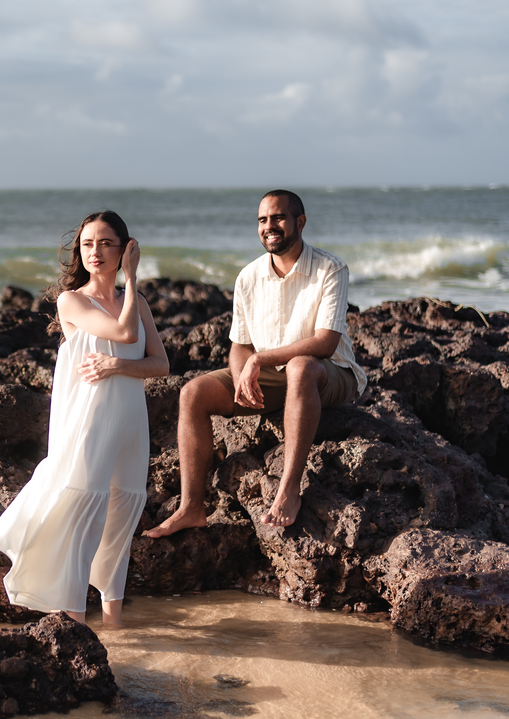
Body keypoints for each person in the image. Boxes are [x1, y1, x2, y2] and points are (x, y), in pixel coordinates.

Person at [0, 210, 169, 626]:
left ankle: (114, 622)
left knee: (122, 514)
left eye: (106, 243)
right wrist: (133, 278)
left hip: (129, 423)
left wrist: (117, 366)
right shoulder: (72, 301)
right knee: (82, 513)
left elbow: (159, 364)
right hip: (88, 422)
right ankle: (75, 625)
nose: (96, 252)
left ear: (125, 249)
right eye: (87, 244)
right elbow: (123, 335)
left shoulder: (133, 303)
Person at [145, 189, 366, 535]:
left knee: (301, 367)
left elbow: (325, 343)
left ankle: (289, 490)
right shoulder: (248, 277)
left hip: (330, 374)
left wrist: (258, 360)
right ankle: (191, 508)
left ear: (300, 222)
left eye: (277, 217)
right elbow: (239, 346)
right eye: (262, 220)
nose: (269, 226)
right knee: (192, 393)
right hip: (276, 379)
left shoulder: (330, 269)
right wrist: (241, 376)